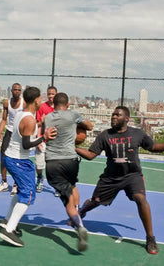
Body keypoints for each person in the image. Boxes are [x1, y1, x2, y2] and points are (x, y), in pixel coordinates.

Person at [75, 106, 164, 255]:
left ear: (126, 118)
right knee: (95, 201)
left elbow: (153, 147)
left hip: (132, 176)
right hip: (111, 178)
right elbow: (90, 154)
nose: (114, 117)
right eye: (113, 115)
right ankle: (82, 210)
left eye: (117, 115)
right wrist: (72, 147)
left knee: (141, 198)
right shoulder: (105, 135)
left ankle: (150, 238)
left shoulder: (137, 133)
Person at [0, 86, 57, 247]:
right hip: (18, 160)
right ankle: (9, 231)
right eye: (40, 98)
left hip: (13, 158)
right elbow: (26, 145)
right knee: (29, 195)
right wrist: (44, 137)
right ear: (36, 100)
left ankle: (7, 220)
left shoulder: (22, 114)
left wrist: (40, 123)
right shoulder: (29, 119)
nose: (41, 100)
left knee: (22, 191)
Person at [44, 92, 93, 252]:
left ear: (54, 104)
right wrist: (79, 126)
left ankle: (79, 225)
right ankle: (77, 214)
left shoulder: (48, 118)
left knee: (67, 202)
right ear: (68, 104)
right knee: (72, 185)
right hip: (71, 161)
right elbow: (90, 126)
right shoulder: (73, 114)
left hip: (53, 162)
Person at [0, 83, 24, 196]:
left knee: (17, 159)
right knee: (3, 156)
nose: (17, 91)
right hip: (9, 131)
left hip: (20, 133)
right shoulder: (7, 102)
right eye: (15, 90)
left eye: (19, 90)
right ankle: (4, 182)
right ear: (11, 91)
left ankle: (16, 184)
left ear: (21, 91)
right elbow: (3, 119)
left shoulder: (24, 104)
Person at [35, 86, 57, 194]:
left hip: (55, 142)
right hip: (43, 140)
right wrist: (38, 139)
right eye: (49, 94)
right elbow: (38, 124)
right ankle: (39, 178)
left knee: (55, 166)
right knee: (39, 165)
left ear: (56, 94)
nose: (51, 96)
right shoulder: (42, 107)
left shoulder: (59, 108)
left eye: (53, 94)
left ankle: (57, 185)